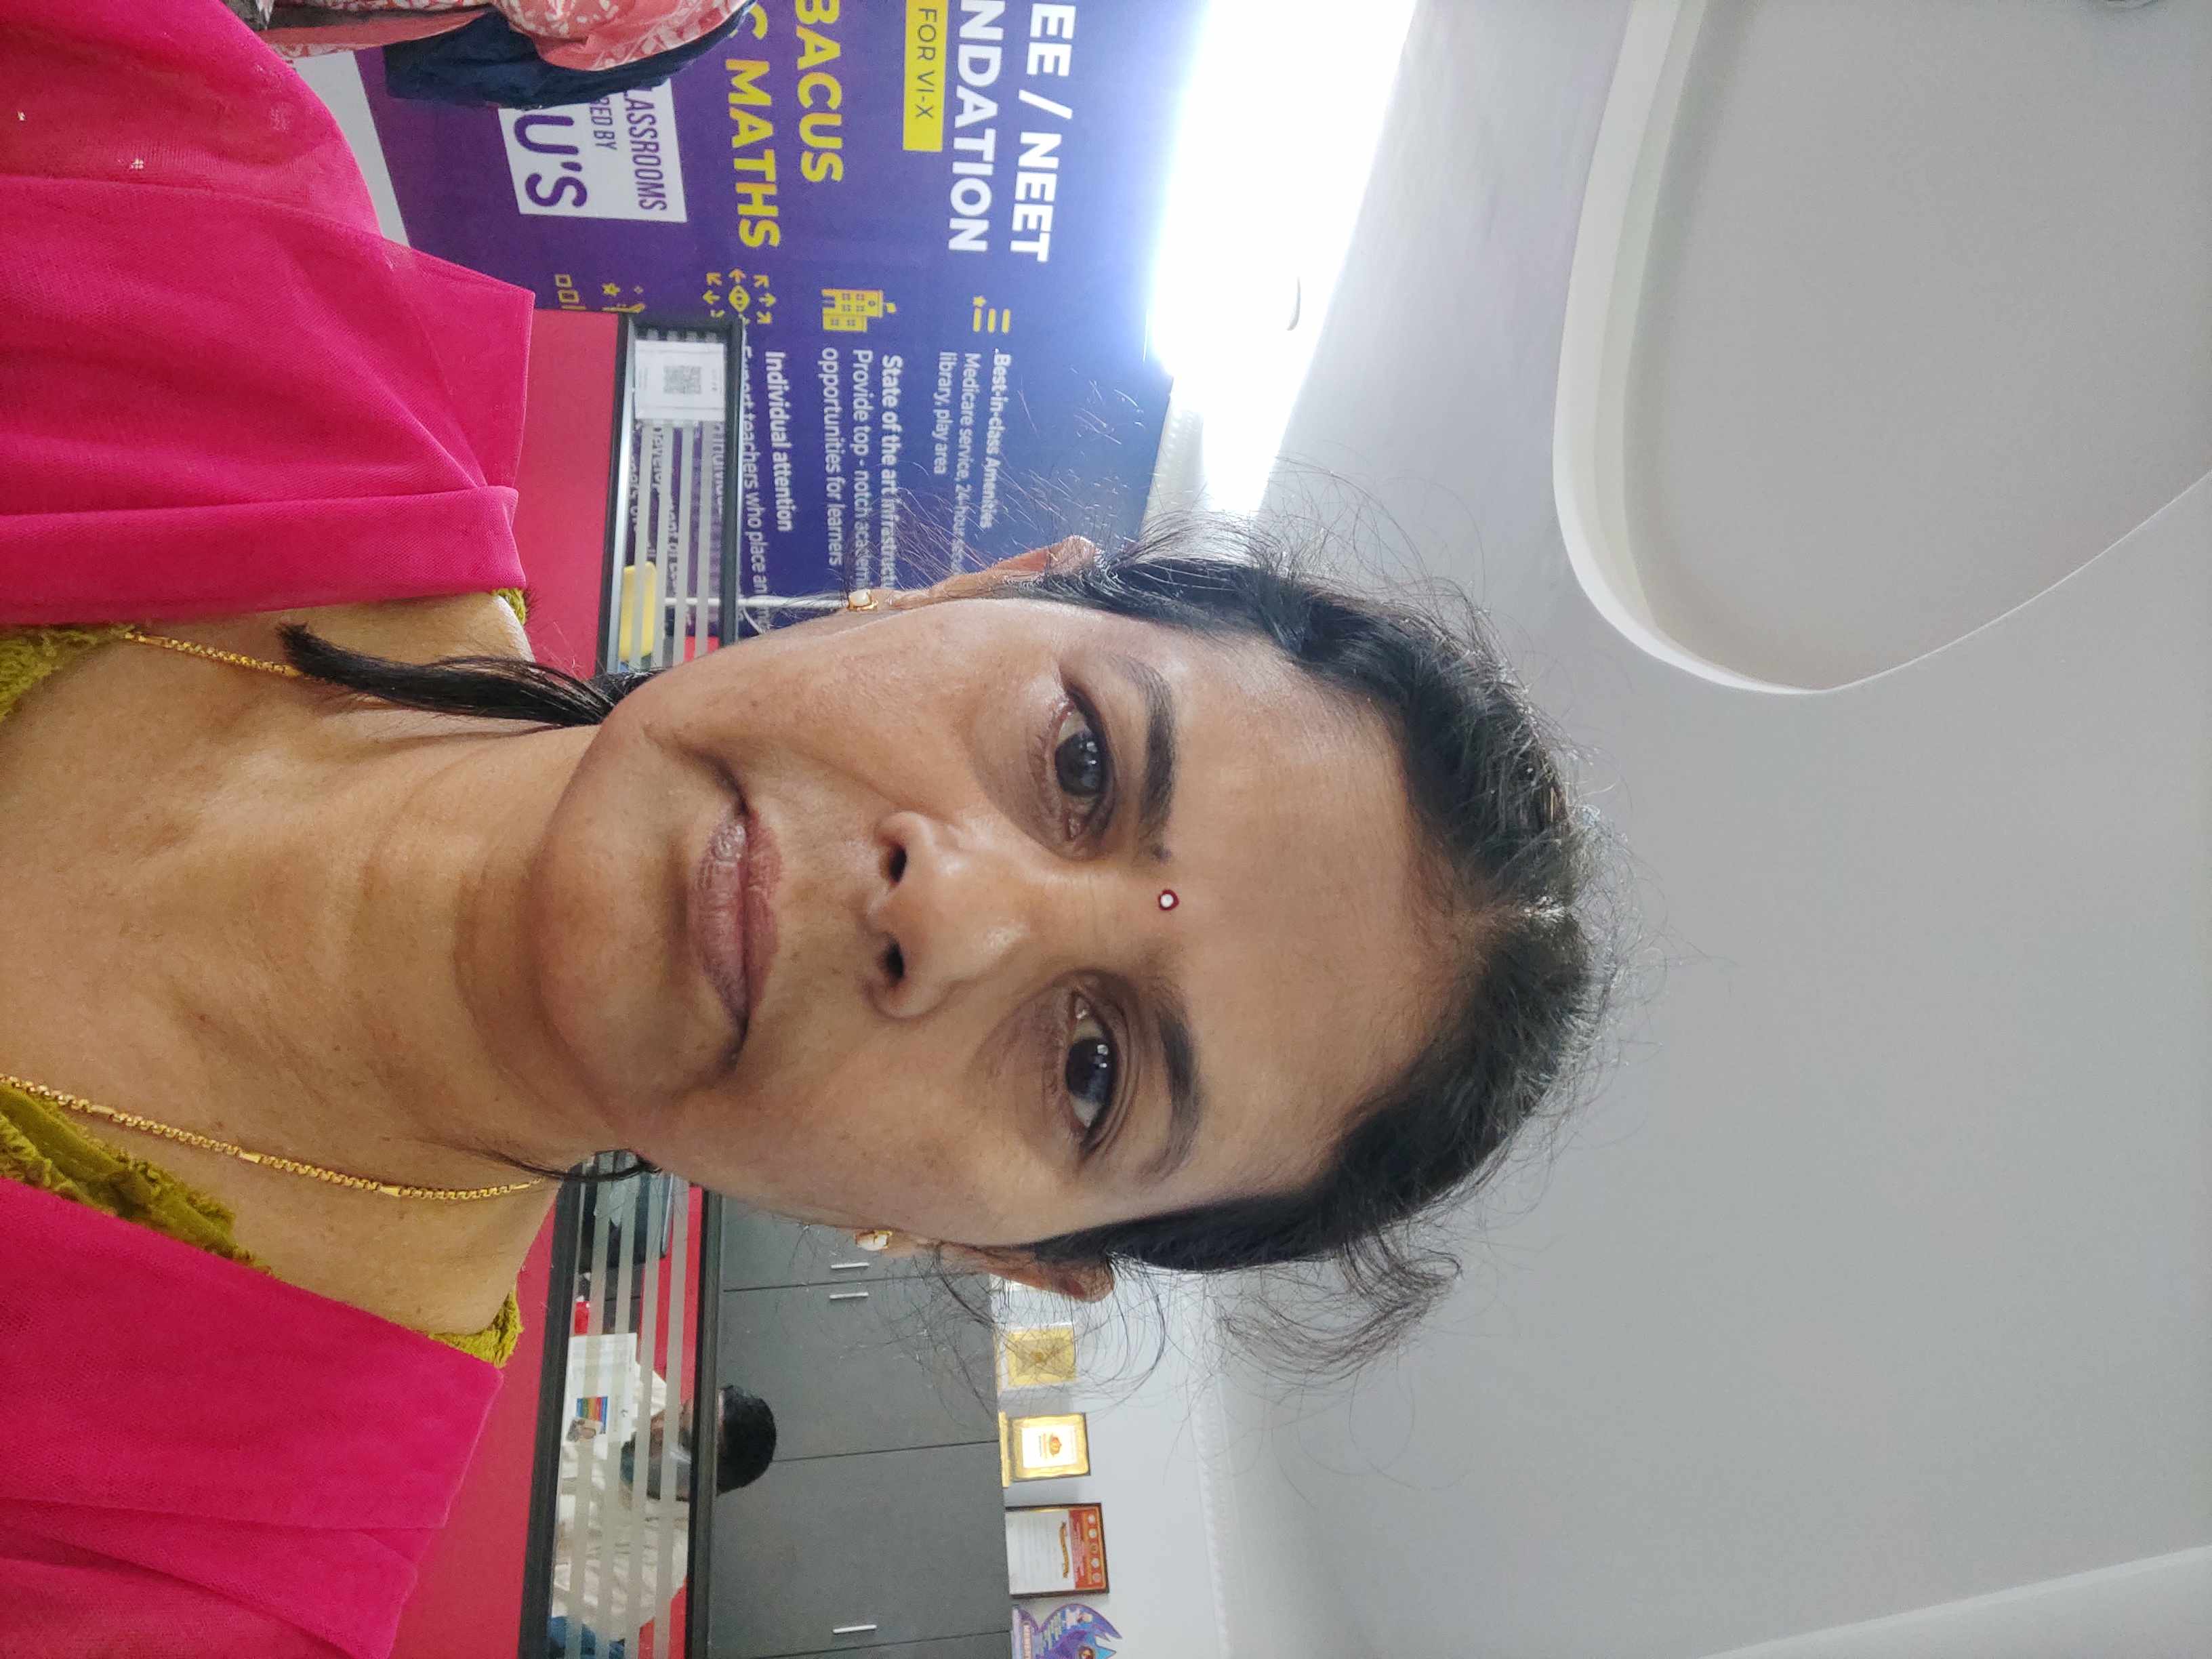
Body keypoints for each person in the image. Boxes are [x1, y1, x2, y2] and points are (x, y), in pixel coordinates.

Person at [0, 1, 1615, 1654]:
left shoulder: (172, 1597)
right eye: (1080, 761)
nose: (954, 913)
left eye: (1091, 1069)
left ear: (1001, 1249)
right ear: (967, 591)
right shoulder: (163, 183)